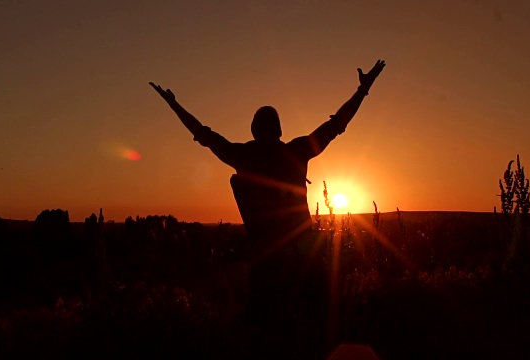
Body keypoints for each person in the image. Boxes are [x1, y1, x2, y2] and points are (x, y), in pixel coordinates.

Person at [149, 59, 385, 357]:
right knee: (320, 330)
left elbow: (204, 135)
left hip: (268, 260)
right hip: (305, 255)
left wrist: (174, 105)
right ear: (278, 129)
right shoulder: (296, 151)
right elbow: (338, 124)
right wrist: (363, 90)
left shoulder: (245, 156)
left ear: (255, 129)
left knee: (263, 334)